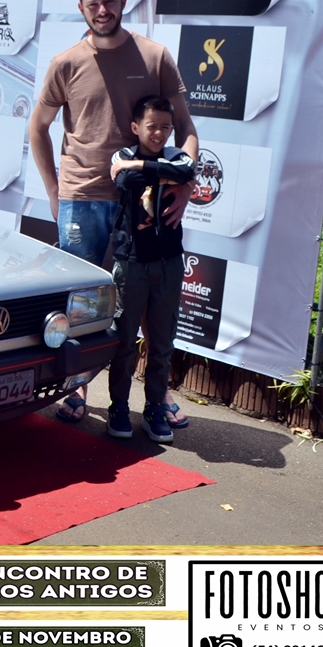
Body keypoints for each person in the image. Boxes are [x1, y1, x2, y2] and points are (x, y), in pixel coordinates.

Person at [28, 0, 198, 426]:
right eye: (93, 4)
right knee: (79, 300)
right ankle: (76, 387)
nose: (102, 11)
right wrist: (54, 190)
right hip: (81, 196)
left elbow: (186, 127)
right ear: (81, 9)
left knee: (148, 306)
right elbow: (37, 128)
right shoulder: (66, 63)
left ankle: (157, 396)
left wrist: (185, 184)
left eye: (109, 2)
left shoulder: (155, 56)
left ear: (123, 2)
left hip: (143, 201)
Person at [106, 96, 195, 442]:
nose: (158, 133)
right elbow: (125, 181)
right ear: (135, 127)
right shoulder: (121, 155)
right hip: (131, 262)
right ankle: (118, 405)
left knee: (162, 342)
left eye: (165, 127)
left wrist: (141, 167)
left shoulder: (173, 156)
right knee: (125, 340)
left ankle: (155, 407)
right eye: (151, 126)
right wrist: (156, 174)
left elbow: (187, 171)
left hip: (169, 263)